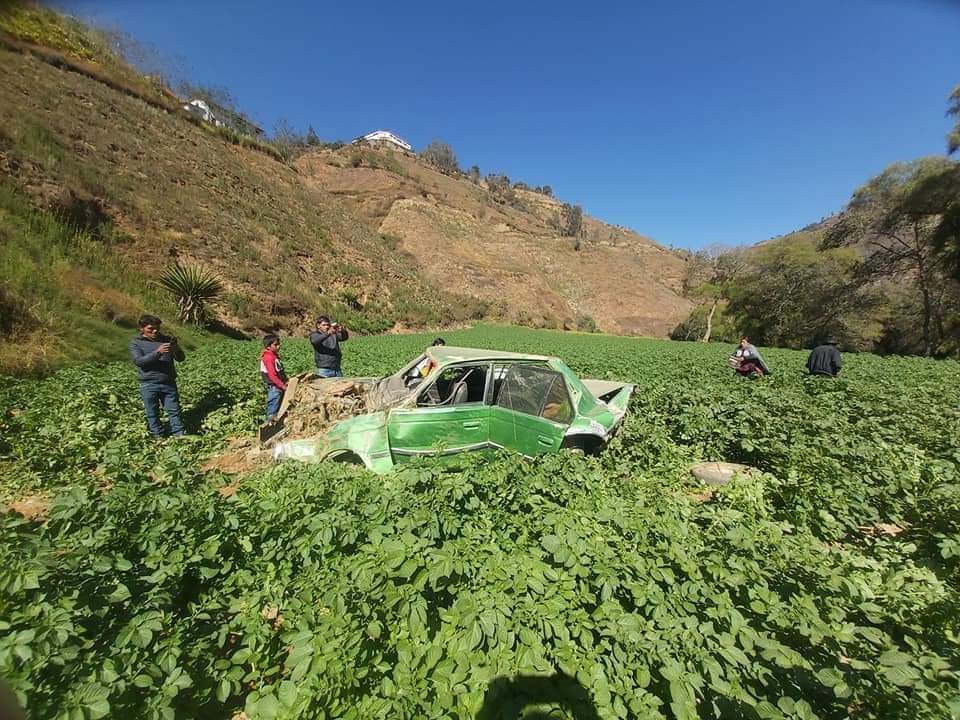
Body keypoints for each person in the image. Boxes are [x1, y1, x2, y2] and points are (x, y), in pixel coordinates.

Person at [129, 314, 186, 437]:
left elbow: (181, 358)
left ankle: (180, 435)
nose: (154, 331)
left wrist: (176, 350)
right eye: (150, 329)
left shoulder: (166, 339)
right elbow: (139, 362)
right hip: (149, 384)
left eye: (157, 328)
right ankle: (158, 437)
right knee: (152, 413)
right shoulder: (136, 344)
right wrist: (158, 353)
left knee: (174, 411)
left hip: (168, 382)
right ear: (141, 328)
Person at [260, 334, 288, 421]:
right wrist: (282, 386)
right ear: (268, 346)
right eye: (275, 345)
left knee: (278, 407)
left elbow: (279, 371)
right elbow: (272, 376)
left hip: (278, 386)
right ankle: (269, 427)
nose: (278, 346)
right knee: (273, 410)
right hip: (275, 388)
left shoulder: (274, 356)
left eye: (279, 344)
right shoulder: (268, 357)